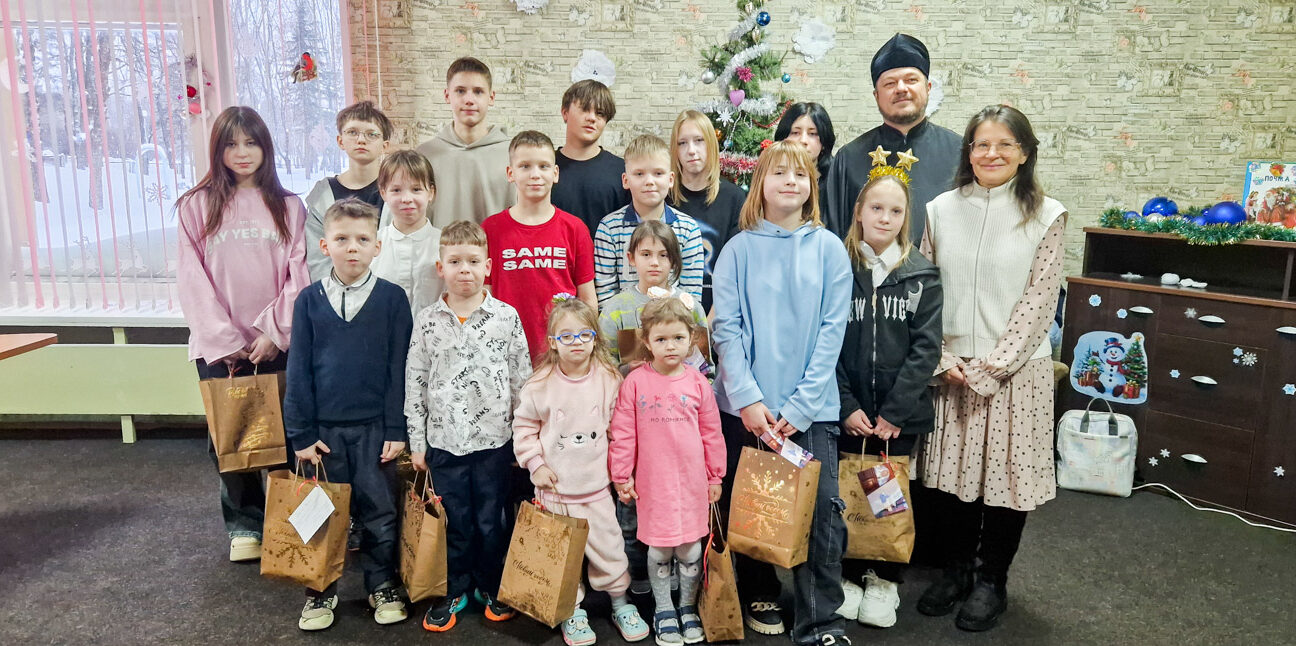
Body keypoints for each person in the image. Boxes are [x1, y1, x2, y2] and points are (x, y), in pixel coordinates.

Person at [918, 105, 1068, 632]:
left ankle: (991, 581)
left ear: (1024, 153)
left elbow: (1040, 303)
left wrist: (993, 367)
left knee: (1005, 482)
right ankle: (957, 570)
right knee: (954, 479)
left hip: (1016, 374)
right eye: (981, 144)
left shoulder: (1047, 214)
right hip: (953, 369)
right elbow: (923, 289)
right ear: (968, 152)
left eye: (1005, 144)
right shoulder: (940, 209)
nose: (992, 153)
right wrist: (941, 358)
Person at [711, 141, 852, 646]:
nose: (790, 181)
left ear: (812, 186)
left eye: (800, 174)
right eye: (779, 173)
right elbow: (725, 329)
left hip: (809, 412)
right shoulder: (738, 250)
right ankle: (759, 594)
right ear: (760, 185)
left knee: (821, 516)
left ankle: (820, 620)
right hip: (749, 411)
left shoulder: (830, 249)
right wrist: (748, 399)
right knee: (754, 509)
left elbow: (832, 332)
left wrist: (801, 405)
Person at [175, 105, 308, 564]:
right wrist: (226, 340)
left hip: (276, 341)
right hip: (220, 347)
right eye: (231, 144)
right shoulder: (195, 206)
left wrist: (273, 330)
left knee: (286, 435)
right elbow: (191, 280)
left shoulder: (289, 206)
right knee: (232, 436)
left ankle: (290, 520)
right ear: (218, 150)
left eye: (251, 142)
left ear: (265, 147)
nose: (242, 152)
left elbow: (298, 275)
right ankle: (244, 524)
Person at [283, 198, 413, 631]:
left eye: (362, 239)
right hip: (323, 435)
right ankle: (320, 590)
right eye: (342, 239)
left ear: (378, 246)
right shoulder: (308, 301)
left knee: (380, 512)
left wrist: (396, 428)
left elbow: (399, 370)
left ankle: (381, 584)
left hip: (375, 430)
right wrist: (300, 434)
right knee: (320, 514)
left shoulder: (393, 300)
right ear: (325, 245)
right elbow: (298, 370)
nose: (352, 247)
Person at [405, 219, 533, 632]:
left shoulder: (506, 317)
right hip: (444, 442)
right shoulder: (427, 321)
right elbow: (416, 382)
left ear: (488, 266)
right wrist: (417, 442)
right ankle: (456, 587)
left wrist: (523, 441)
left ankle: (491, 585)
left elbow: (522, 382)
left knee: (491, 519)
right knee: (456, 520)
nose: (465, 270)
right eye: (455, 261)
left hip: (495, 442)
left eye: (474, 261)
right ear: (440, 267)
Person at [834, 172, 943, 629]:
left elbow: (926, 349)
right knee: (846, 496)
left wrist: (895, 413)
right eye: (876, 207)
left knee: (886, 497)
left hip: (898, 419)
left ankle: (884, 579)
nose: (885, 217)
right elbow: (826, 342)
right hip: (849, 413)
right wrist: (845, 405)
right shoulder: (839, 268)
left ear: (905, 218)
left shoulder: (921, 274)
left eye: (895, 211)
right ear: (859, 211)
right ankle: (848, 575)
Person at [512, 297, 650, 646]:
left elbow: (619, 430)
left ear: (595, 338)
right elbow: (524, 429)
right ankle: (570, 610)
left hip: (596, 489)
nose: (576, 342)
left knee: (610, 548)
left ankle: (620, 602)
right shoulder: (539, 384)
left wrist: (623, 473)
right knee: (562, 558)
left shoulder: (608, 379)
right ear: (553, 342)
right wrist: (535, 464)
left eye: (584, 334)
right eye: (567, 336)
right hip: (555, 492)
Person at [609, 296, 726, 646]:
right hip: (653, 485)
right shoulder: (634, 382)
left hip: (692, 484)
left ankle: (687, 607)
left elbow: (712, 433)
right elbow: (623, 433)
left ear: (691, 339)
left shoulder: (698, 384)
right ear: (647, 341)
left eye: (678, 338)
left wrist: (715, 475)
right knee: (659, 550)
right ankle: (663, 608)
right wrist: (621, 475)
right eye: (661, 339)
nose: (670, 346)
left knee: (690, 549)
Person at [824, 33, 961, 242]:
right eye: (890, 83)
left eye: (911, 80)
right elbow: (834, 238)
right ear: (876, 96)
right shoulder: (848, 158)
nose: (901, 89)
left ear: (928, 88)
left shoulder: (961, 152)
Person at [481, 130, 597, 361]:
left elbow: (588, 299)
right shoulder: (491, 229)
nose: (535, 174)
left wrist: (586, 345)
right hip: (504, 352)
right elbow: (485, 296)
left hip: (561, 353)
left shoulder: (575, 229)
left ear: (555, 173)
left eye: (543, 166)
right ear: (510, 173)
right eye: (525, 166)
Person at [594, 134, 704, 307]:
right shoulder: (609, 229)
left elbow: (691, 298)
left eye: (658, 173)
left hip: (673, 321)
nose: (649, 181)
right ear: (626, 180)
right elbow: (605, 296)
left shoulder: (688, 229)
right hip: (624, 322)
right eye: (639, 174)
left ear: (670, 179)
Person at [416, 56, 513, 228]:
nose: (469, 99)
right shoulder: (423, 156)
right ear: (447, 95)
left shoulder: (513, 154)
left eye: (478, 91)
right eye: (460, 91)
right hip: (439, 246)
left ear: (491, 97)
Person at [304, 100, 393, 281]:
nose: (361, 140)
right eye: (352, 132)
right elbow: (317, 259)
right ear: (340, 141)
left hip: (388, 291)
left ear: (384, 145)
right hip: (336, 293)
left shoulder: (398, 193)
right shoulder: (323, 196)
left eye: (371, 134)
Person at [598, 221, 708, 365]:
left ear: (674, 260)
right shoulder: (615, 308)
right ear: (631, 258)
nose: (654, 262)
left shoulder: (690, 306)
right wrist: (625, 370)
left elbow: (704, 367)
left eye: (663, 255)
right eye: (646, 254)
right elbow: (602, 359)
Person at [667, 110, 744, 314]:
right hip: (668, 315)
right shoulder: (664, 198)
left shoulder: (734, 198)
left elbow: (736, 268)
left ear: (711, 144)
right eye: (682, 143)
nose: (691, 150)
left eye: (699, 140)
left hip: (719, 312)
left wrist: (712, 318)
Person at [550, 79, 631, 237]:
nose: (592, 118)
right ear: (565, 113)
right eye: (584, 109)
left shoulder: (622, 171)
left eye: (600, 113)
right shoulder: (543, 168)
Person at [371, 150, 443, 317]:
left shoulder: (445, 246)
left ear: (431, 192)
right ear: (383, 193)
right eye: (396, 190)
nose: (406, 199)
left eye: (416, 189)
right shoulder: (372, 246)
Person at [774, 102, 837, 218]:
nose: (803, 141)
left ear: (824, 141)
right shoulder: (771, 178)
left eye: (812, 134)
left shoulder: (836, 182)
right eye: (795, 133)